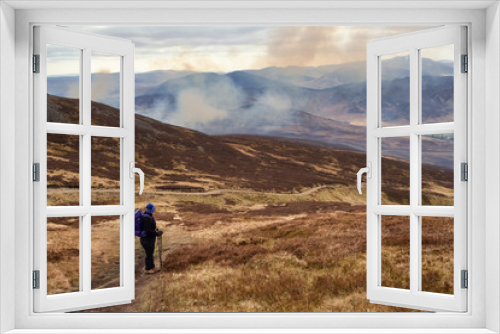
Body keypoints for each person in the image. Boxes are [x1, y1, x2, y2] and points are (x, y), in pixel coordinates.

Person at [140, 203, 163, 274]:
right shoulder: (146, 218)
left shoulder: (147, 216)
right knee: (149, 254)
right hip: (147, 240)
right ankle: (148, 269)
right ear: (151, 209)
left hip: (148, 239)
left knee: (150, 253)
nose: (154, 211)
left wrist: (156, 230)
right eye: (154, 209)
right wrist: (156, 233)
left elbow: (150, 228)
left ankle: (152, 267)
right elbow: (148, 231)